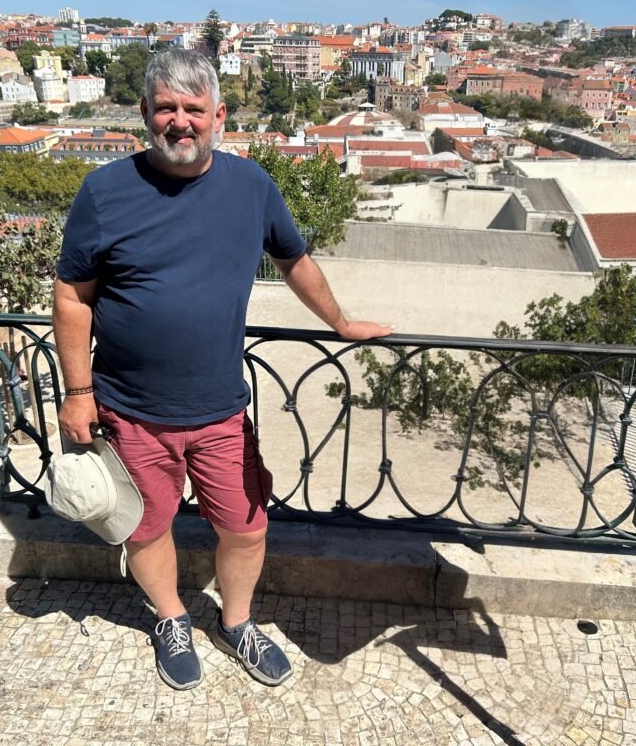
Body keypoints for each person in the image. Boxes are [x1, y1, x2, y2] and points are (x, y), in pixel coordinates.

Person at [53, 48, 392, 690]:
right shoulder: (104, 191)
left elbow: (294, 260)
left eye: (193, 108)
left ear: (219, 115)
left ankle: (236, 623)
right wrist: (77, 392)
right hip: (129, 412)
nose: (180, 121)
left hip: (219, 412)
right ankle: (171, 618)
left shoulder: (251, 185)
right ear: (144, 113)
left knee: (246, 527)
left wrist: (341, 323)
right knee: (145, 528)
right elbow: (72, 295)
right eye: (166, 108)